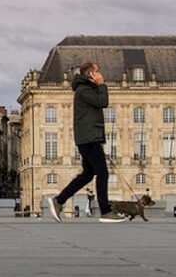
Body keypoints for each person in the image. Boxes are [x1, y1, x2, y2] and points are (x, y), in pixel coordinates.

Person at [46, 62, 126, 222]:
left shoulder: (85, 89)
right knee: (102, 172)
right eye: (97, 72)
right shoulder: (84, 90)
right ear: (90, 74)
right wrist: (102, 85)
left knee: (88, 175)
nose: (100, 74)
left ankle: (59, 201)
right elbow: (103, 102)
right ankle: (105, 211)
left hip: (88, 137)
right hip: (89, 138)